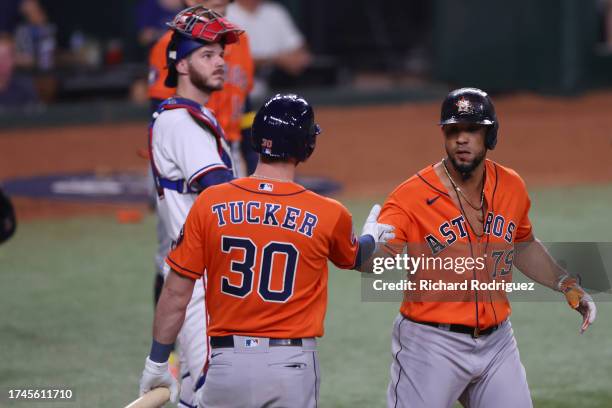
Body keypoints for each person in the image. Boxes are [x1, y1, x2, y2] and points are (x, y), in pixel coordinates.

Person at [138, 93, 395, 407]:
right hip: (290, 367)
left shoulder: (210, 202)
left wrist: (157, 362)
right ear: (307, 147)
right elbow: (358, 258)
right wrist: (371, 238)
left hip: (225, 366)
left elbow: (176, 293)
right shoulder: (329, 213)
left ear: (257, 138)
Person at [363, 88, 596, 408]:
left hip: (497, 344)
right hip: (431, 346)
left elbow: (522, 244)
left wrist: (565, 283)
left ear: (490, 134)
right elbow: (378, 260)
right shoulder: (410, 196)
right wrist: (365, 250)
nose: (462, 139)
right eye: (453, 130)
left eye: (472, 129)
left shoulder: (512, 185)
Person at [144, 6, 243, 407]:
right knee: (214, 393)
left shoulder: (190, 117)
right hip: (201, 279)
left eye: (221, 54)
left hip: (197, 272)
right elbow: (220, 193)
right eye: (207, 55)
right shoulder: (182, 123)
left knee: (196, 388)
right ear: (181, 64)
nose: (220, 62)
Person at [226, 0, 311, 96]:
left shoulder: (274, 11)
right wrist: (274, 60)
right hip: (237, 89)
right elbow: (230, 61)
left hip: (278, 84)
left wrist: (297, 58)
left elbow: (298, 46)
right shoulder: (226, 12)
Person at [0, 33, 39, 109]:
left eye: (6, 56)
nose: (1, 62)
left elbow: (36, 116)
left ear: (14, 59)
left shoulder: (25, 88)